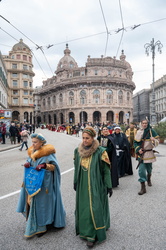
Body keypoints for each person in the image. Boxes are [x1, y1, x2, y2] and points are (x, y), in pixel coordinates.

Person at [17, 133, 66, 237]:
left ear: (41, 143)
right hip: (33, 184)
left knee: (43, 205)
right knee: (32, 202)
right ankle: (34, 223)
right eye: (32, 142)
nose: (33, 144)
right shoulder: (32, 152)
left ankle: (43, 226)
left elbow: (54, 167)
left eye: (35, 142)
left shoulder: (48, 154)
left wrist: (45, 165)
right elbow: (29, 162)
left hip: (44, 185)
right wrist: (27, 164)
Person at [74, 126, 112, 248]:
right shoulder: (77, 151)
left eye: (87, 138)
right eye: (83, 138)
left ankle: (93, 235)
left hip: (96, 184)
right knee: (84, 208)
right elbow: (76, 168)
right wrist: (75, 181)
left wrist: (109, 185)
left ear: (93, 138)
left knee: (94, 207)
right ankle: (85, 231)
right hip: (82, 185)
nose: (85, 141)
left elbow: (106, 171)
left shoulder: (100, 151)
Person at [134, 119, 159, 195]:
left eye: (146, 123)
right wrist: (138, 149)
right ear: (141, 124)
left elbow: (157, 141)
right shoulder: (139, 132)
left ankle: (149, 179)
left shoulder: (152, 131)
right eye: (143, 123)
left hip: (149, 153)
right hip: (141, 154)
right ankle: (143, 187)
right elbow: (135, 142)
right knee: (141, 170)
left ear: (147, 124)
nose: (144, 124)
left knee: (149, 169)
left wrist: (154, 140)